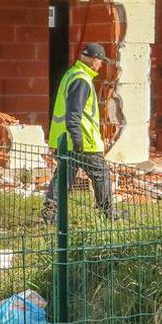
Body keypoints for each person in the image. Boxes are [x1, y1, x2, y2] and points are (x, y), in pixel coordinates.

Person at [42, 42, 117, 222]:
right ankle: (107, 213)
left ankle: (51, 212)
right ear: (93, 59)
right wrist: (78, 141)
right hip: (83, 141)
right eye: (100, 61)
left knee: (64, 176)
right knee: (101, 174)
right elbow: (73, 114)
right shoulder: (82, 79)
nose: (100, 65)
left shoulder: (71, 74)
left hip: (65, 140)